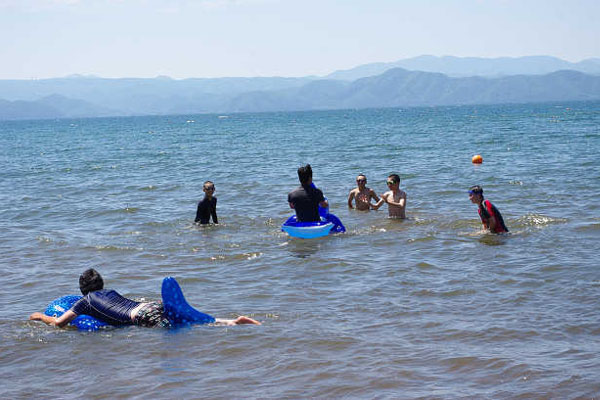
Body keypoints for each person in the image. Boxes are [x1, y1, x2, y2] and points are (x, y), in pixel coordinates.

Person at [29, 268, 260, 328]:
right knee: (191, 320)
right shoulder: (110, 292)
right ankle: (229, 321)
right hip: (149, 305)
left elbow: (59, 323)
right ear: (102, 284)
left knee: (181, 327)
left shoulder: (84, 302)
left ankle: (229, 323)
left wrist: (40, 316)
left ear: (82, 290)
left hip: (142, 317)